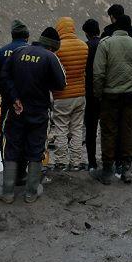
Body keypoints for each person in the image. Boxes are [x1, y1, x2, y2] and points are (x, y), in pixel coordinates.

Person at [0, 27, 67, 203]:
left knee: (11, 147)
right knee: (36, 149)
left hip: (16, 110)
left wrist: (14, 98)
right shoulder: (50, 57)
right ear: (52, 47)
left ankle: (7, 193)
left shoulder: (18, 52)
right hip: (39, 112)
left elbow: (4, 76)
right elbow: (61, 83)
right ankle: (31, 192)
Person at [92, 15, 132, 184]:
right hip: (130, 95)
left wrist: (98, 93)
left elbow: (98, 73)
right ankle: (126, 168)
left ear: (115, 26)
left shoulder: (105, 44)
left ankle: (107, 170)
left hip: (110, 95)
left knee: (109, 131)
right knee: (127, 130)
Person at [0, 21, 31, 187]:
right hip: (28, 103)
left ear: (12, 35)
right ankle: (22, 174)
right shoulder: (33, 53)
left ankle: (9, 176)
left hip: (8, 104)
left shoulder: (1, 52)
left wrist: (7, 95)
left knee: (7, 137)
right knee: (26, 136)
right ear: (27, 36)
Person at [50, 16, 89, 171]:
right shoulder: (84, 46)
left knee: (61, 128)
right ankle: (75, 162)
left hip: (62, 95)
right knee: (77, 129)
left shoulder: (57, 49)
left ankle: (61, 161)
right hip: (80, 94)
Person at [82, 19, 102, 170]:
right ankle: (110, 160)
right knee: (108, 127)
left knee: (91, 129)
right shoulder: (105, 44)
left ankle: (92, 162)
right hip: (105, 92)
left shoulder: (86, 47)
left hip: (90, 93)